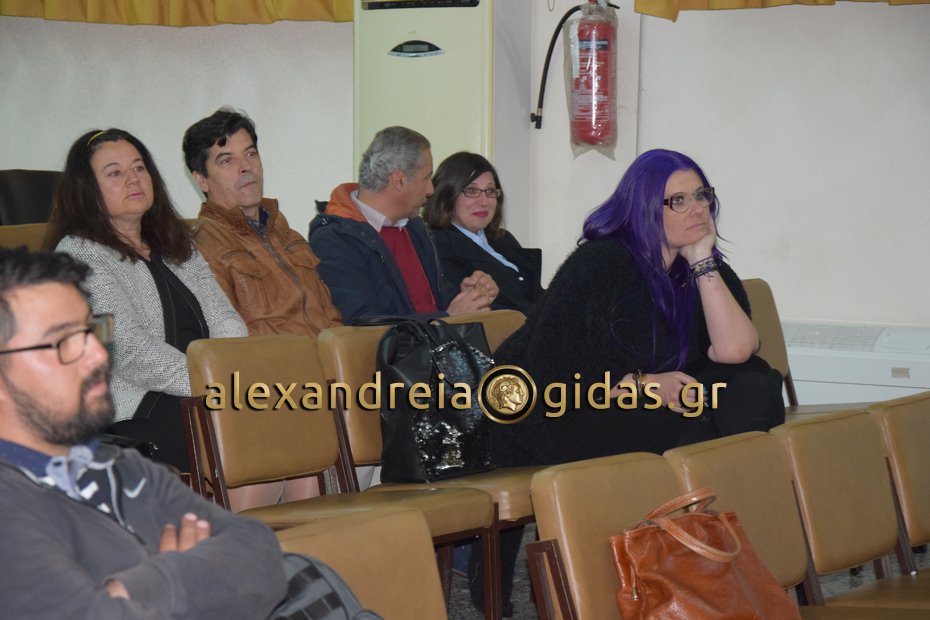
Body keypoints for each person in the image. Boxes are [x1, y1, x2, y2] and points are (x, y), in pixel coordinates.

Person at [0, 246, 286, 618]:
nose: (99, 355)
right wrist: (193, 574)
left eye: (92, 330)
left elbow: (261, 553)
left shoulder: (122, 467)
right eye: (65, 340)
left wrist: (138, 586)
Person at [491, 148, 784, 467]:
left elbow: (736, 351)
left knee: (752, 382)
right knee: (689, 422)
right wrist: (647, 385)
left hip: (646, 407)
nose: (698, 209)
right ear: (645, 209)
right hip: (566, 413)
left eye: (702, 195)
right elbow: (553, 375)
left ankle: (736, 491)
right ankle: (719, 491)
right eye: (679, 200)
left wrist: (702, 258)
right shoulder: (602, 263)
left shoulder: (700, 267)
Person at [46, 129, 248, 473]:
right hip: (136, 409)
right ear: (86, 190)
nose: (133, 179)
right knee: (250, 437)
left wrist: (236, 376)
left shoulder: (176, 243)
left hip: (206, 392)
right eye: (115, 173)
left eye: (139, 168)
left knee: (293, 424)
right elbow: (127, 350)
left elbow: (224, 319)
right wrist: (215, 385)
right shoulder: (79, 253)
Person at [309, 126, 499, 324]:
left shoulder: (414, 227)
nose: (431, 189)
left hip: (437, 341)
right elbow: (362, 324)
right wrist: (447, 318)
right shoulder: (335, 238)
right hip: (405, 345)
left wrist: (467, 296)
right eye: (426, 178)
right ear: (399, 180)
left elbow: (435, 302)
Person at [183, 108, 342, 337]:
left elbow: (332, 318)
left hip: (329, 357)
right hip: (275, 360)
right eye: (227, 160)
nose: (246, 167)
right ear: (201, 180)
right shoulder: (201, 251)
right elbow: (230, 344)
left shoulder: (288, 235)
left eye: (251, 154)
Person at [424, 152, 544, 314]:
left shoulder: (503, 238)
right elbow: (480, 310)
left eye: (490, 191)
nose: (484, 201)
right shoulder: (437, 245)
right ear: (447, 196)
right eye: (472, 191)